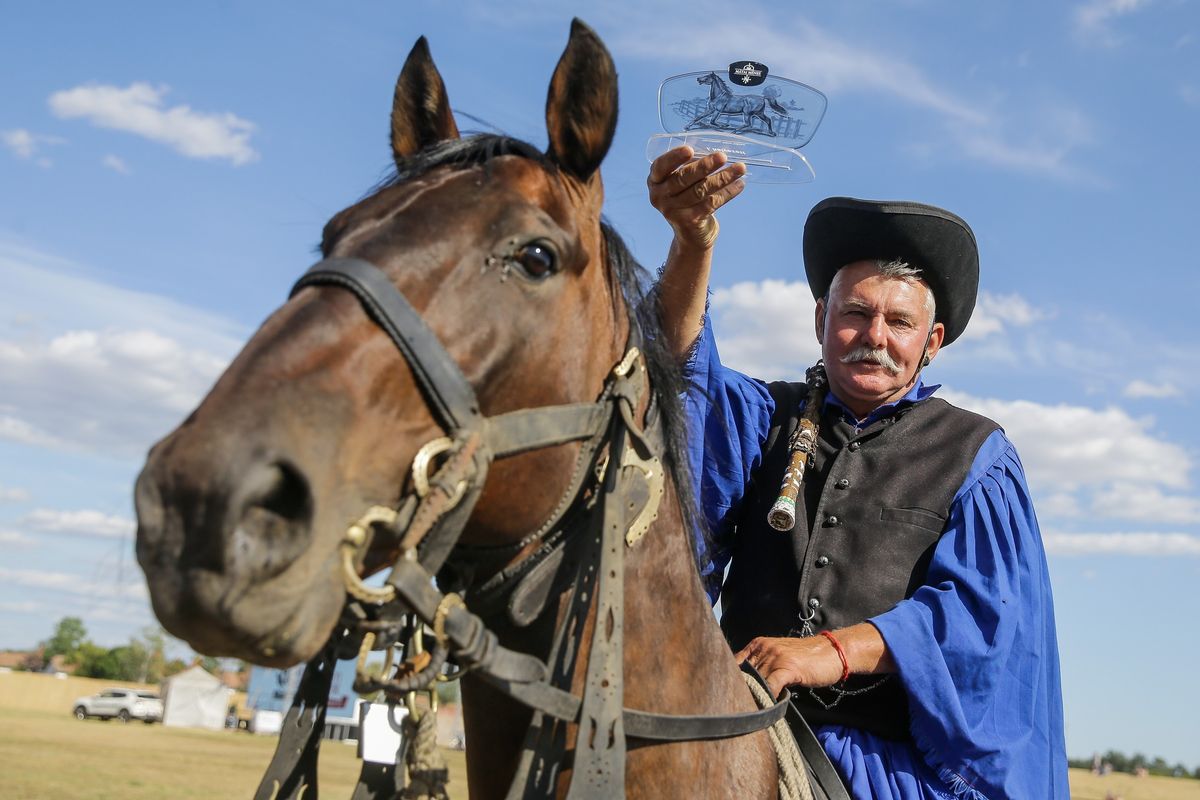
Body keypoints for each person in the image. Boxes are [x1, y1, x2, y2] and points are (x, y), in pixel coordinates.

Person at [647, 147, 1068, 800]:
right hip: (734, 728)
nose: (875, 334)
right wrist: (692, 243)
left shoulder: (977, 456)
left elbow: (983, 619)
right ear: (821, 320)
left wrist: (833, 652)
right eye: (854, 313)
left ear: (932, 342)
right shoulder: (766, 417)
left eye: (900, 321)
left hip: (885, 770)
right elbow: (683, 369)